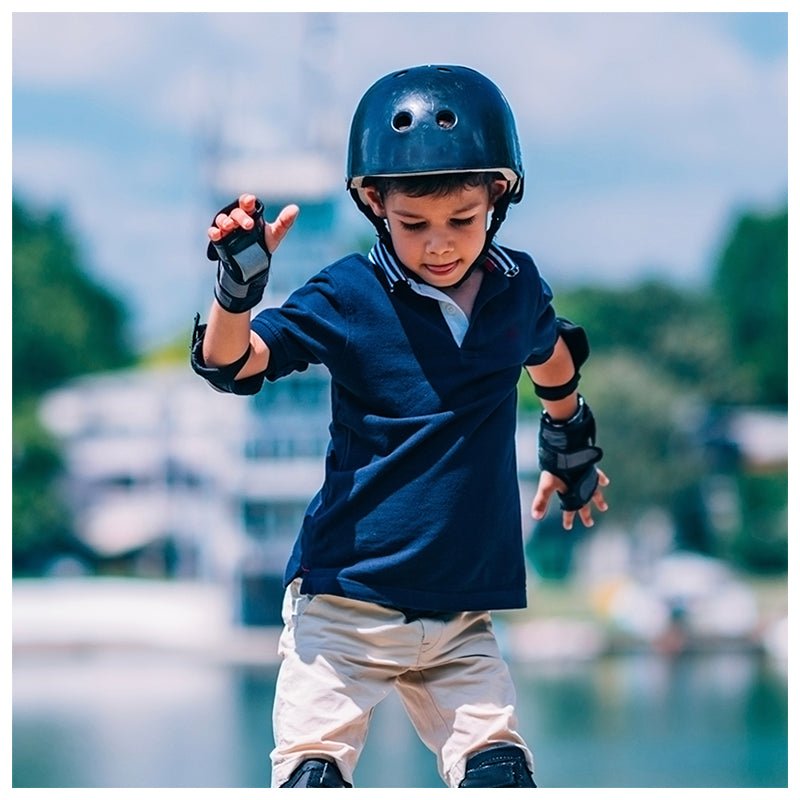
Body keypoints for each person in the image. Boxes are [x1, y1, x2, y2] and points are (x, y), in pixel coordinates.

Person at [191, 64, 609, 789]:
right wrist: (238, 290)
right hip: (345, 606)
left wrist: (568, 444)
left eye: (461, 221)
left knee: (501, 773)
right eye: (414, 225)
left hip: (460, 619)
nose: (440, 245)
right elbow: (237, 364)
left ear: (498, 200)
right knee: (312, 777)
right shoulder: (349, 294)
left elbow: (553, 356)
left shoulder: (516, 290)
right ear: (375, 204)